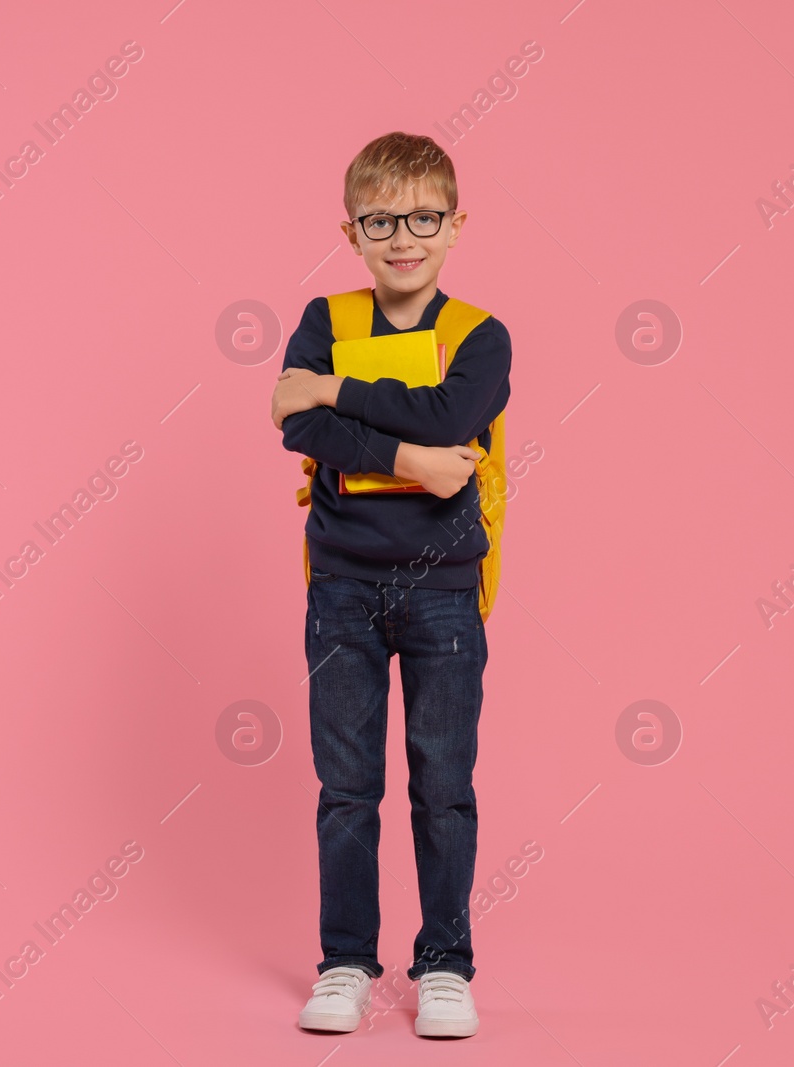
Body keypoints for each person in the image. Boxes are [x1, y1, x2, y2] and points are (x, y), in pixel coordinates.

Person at [269, 130, 513, 1039]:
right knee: (346, 787)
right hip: (341, 587)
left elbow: (455, 412)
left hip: (445, 590)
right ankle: (345, 962)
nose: (403, 236)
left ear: (455, 225)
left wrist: (329, 391)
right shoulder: (325, 318)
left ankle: (445, 963)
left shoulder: (479, 335)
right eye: (381, 220)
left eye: (423, 218)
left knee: (443, 783)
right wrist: (414, 456)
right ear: (352, 229)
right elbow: (300, 433)